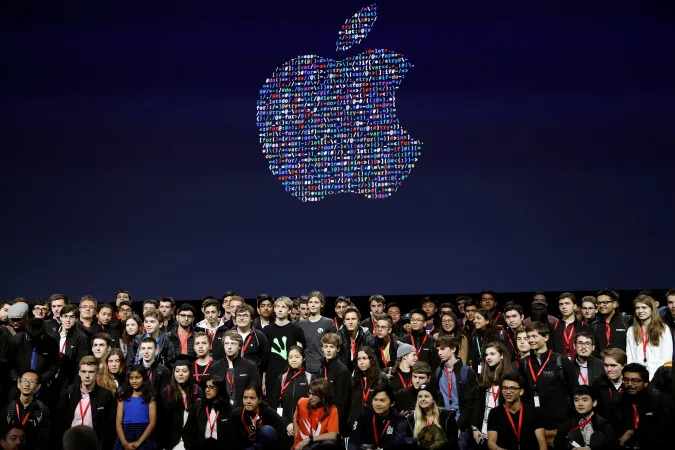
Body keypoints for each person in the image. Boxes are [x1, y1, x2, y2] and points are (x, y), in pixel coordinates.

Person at [519, 322, 578, 446]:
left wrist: (569, 423)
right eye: (528, 337)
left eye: (534, 336)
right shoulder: (524, 364)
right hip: (535, 424)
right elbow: (524, 396)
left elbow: (574, 391)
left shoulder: (560, 361)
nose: (530, 340)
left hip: (559, 424)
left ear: (546, 337)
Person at [57, 356, 116, 450]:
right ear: (79, 373)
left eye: (91, 372)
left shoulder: (105, 395)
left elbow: (110, 425)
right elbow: (59, 421)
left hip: (94, 444)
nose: (87, 375)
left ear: (97, 373)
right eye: (84, 371)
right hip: (71, 444)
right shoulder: (69, 393)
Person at [433, 335, 477, 450]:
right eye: (438, 350)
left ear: (453, 349)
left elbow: (469, 404)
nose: (439, 352)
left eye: (442, 349)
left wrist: (459, 426)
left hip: (460, 425)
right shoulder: (438, 371)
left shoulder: (467, 372)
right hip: (442, 424)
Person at [486, 373, 547, 450]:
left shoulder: (533, 411)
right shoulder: (495, 413)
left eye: (512, 388)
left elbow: (542, 441)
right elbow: (491, 441)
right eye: (505, 388)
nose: (508, 392)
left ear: (521, 391)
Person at [617, 362, 670, 449]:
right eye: (626, 380)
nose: (629, 384)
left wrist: (634, 432)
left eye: (635, 381)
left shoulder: (659, 400)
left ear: (645, 383)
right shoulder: (619, 400)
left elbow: (664, 431)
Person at [157, 355, 203, 450]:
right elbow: (161, 422)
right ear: (173, 373)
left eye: (184, 371)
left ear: (190, 372)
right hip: (171, 442)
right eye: (177, 371)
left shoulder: (197, 391)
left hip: (192, 442)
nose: (180, 374)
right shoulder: (166, 392)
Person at [471, 342, 512, 448]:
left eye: (492, 354)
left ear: (502, 355)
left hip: (504, 432)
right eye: (486, 355)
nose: (488, 357)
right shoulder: (485, 376)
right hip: (484, 432)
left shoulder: (511, 377)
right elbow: (478, 402)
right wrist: (475, 428)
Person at [269, 346, 315, 440]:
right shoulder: (281, 378)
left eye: (297, 357)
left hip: (305, 427)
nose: (293, 360)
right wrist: (287, 424)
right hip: (285, 427)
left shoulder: (310, 378)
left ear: (303, 358)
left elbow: (314, 405)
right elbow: (275, 404)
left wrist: (299, 425)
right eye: (290, 357)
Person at [262, 297, 306, 395]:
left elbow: (301, 354)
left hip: (291, 375)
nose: (280, 309)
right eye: (277, 306)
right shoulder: (266, 330)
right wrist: (263, 380)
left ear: (290, 310)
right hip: (271, 376)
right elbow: (264, 357)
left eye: (283, 307)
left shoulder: (296, 329)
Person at [9, 318, 59, 401]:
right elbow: (10, 364)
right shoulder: (17, 339)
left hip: (41, 385)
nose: (31, 340)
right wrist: (17, 379)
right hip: (18, 384)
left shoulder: (52, 342)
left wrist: (39, 379)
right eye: (29, 338)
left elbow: (53, 366)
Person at [553, 385, 615, 450]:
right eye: (576, 400)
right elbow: (558, 443)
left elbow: (611, 444)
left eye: (585, 400)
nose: (580, 404)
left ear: (594, 403)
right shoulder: (569, 423)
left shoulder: (604, 423)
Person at [349, 383, 409, 449]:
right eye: (375, 400)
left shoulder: (399, 420)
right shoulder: (364, 417)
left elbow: (399, 444)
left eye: (382, 401)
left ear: (392, 403)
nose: (377, 404)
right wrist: (362, 447)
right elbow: (353, 442)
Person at [626, 294, 672, 380]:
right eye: (637, 308)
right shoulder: (631, 330)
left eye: (644, 307)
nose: (640, 311)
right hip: (638, 378)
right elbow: (630, 357)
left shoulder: (663, 328)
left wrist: (652, 377)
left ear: (652, 309)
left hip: (658, 377)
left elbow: (666, 357)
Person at [210, 331, 261, 407]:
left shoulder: (250, 366)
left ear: (240, 346)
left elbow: (255, 391)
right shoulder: (215, 367)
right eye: (227, 343)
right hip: (222, 410)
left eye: (233, 343)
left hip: (243, 409)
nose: (229, 347)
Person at [113, 365, 157, 450]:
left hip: (144, 434)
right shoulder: (123, 398)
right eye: (131, 378)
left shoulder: (150, 398)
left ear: (144, 378)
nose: (134, 381)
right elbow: (118, 423)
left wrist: (139, 441)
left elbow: (152, 423)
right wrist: (125, 444)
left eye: (137, 378)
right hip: (125, 434)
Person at [230, 385, 287, 450]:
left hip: (265, 447)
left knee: (267, 431)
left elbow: (282, 435)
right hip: (247, 447)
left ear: (259, 399)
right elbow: (232, 441)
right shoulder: (236, 414)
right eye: (245, 398)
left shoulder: (268, 412)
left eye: (252, 398)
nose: (248, 401)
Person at [183, 375, 233, 448]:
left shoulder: (228, 409)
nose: (207, 390)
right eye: (206, 386)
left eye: (211, 387)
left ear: (220, 389)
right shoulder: (199, 406)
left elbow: (233, 438)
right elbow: (187, 432)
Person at [4, 370, 50, 449]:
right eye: (24, 381)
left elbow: (44, 438)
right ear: (19, 384)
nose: (27, 384)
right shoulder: (7, 408)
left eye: (32, 381)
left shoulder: (43, 410)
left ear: (38, 386)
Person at [407, 383, 459, 450]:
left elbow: (453, 441)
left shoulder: (447, 416)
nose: (422, 399)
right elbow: (409, 441)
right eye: (420, 396)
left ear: (434, 399)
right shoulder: (411, 419)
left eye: (426, 396)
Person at [297, 292, 337, 376]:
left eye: (316, 302)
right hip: (307, 369)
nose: (313, 305)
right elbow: (299, 348)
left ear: (321, 304)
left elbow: (334, 346)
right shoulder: (301, 324)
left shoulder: (328, 323)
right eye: (310, 302)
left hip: (325, 368)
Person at [293, 379, 339, 449]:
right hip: (300, 446)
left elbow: (333, 435)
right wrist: (296, 440)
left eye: (314, 395)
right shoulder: (302, 402)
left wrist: (309, 439)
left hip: (317, 446)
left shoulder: (332, 409)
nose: (310, 397)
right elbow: (295, 419)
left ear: (323, 395)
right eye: (310, 393)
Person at [348, 347, 390, 425]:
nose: (361, 362)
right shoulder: (355, 379)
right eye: (359, 359)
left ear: (371, 359)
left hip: (376, 422)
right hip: (356, 422)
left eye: (364, 358)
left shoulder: (381, 377)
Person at [318, 333, 351, 433]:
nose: (328, 350)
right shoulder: (322, 367)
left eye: (332, 347)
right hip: (321, 415)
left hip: (334, 420)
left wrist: (335, 423)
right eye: (326, 346)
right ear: (322, 348)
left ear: (338, 349)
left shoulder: (342, 370)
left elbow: (342, 402)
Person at [591, 348, 626, 435]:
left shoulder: (631, 384)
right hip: (604, 434)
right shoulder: (598, 383)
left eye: (613, 365)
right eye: (606, 365)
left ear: (624, 366)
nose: (608, 369)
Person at [55, 305, 89, 391]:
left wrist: (74, 387)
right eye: (65, 316)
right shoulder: (53, 334)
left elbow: (80, 365)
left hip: (69, 381)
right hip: (52, 378)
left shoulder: (81, 338)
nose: (68, 320)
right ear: (60, 317)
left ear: (77, 319)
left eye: (72, 317)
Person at [551, 292, 591, 360]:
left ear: (575, 306)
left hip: (579, 363)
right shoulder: (553, 327)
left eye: (567, 303)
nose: (564, 307)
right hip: (559, 365)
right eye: (561, 304)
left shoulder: (584, 326)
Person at [234, 304, 270, 376]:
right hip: (233, 375)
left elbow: (265, 359)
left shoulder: (260, 336)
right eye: (239, 315)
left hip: (253, 376)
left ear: (251, 319)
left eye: (245, 315)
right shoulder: (229, 335)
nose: (241, 318)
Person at [592, 289, 631, 354]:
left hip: (624, 363)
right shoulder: (595, 325)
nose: (601, 306)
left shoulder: (627, 320)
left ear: (615, 304)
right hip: (602, 363)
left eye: (605, 302)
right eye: (599, 303)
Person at [337, 306, 375, 372]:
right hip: (343, 374)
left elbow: (373, 360)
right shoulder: (338, 337)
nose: (350, 322)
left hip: (363, 373)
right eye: (348, 319)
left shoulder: (367, 336)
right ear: (344, 322)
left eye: (353, 319)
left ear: (358, 321)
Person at [468, 309, 501, 375]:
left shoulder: (495, 336)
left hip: (492, 371)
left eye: (478, 318)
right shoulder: (475, 336)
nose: (475, 321)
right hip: (477, 371)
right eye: (474, 319)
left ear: (487, 320)